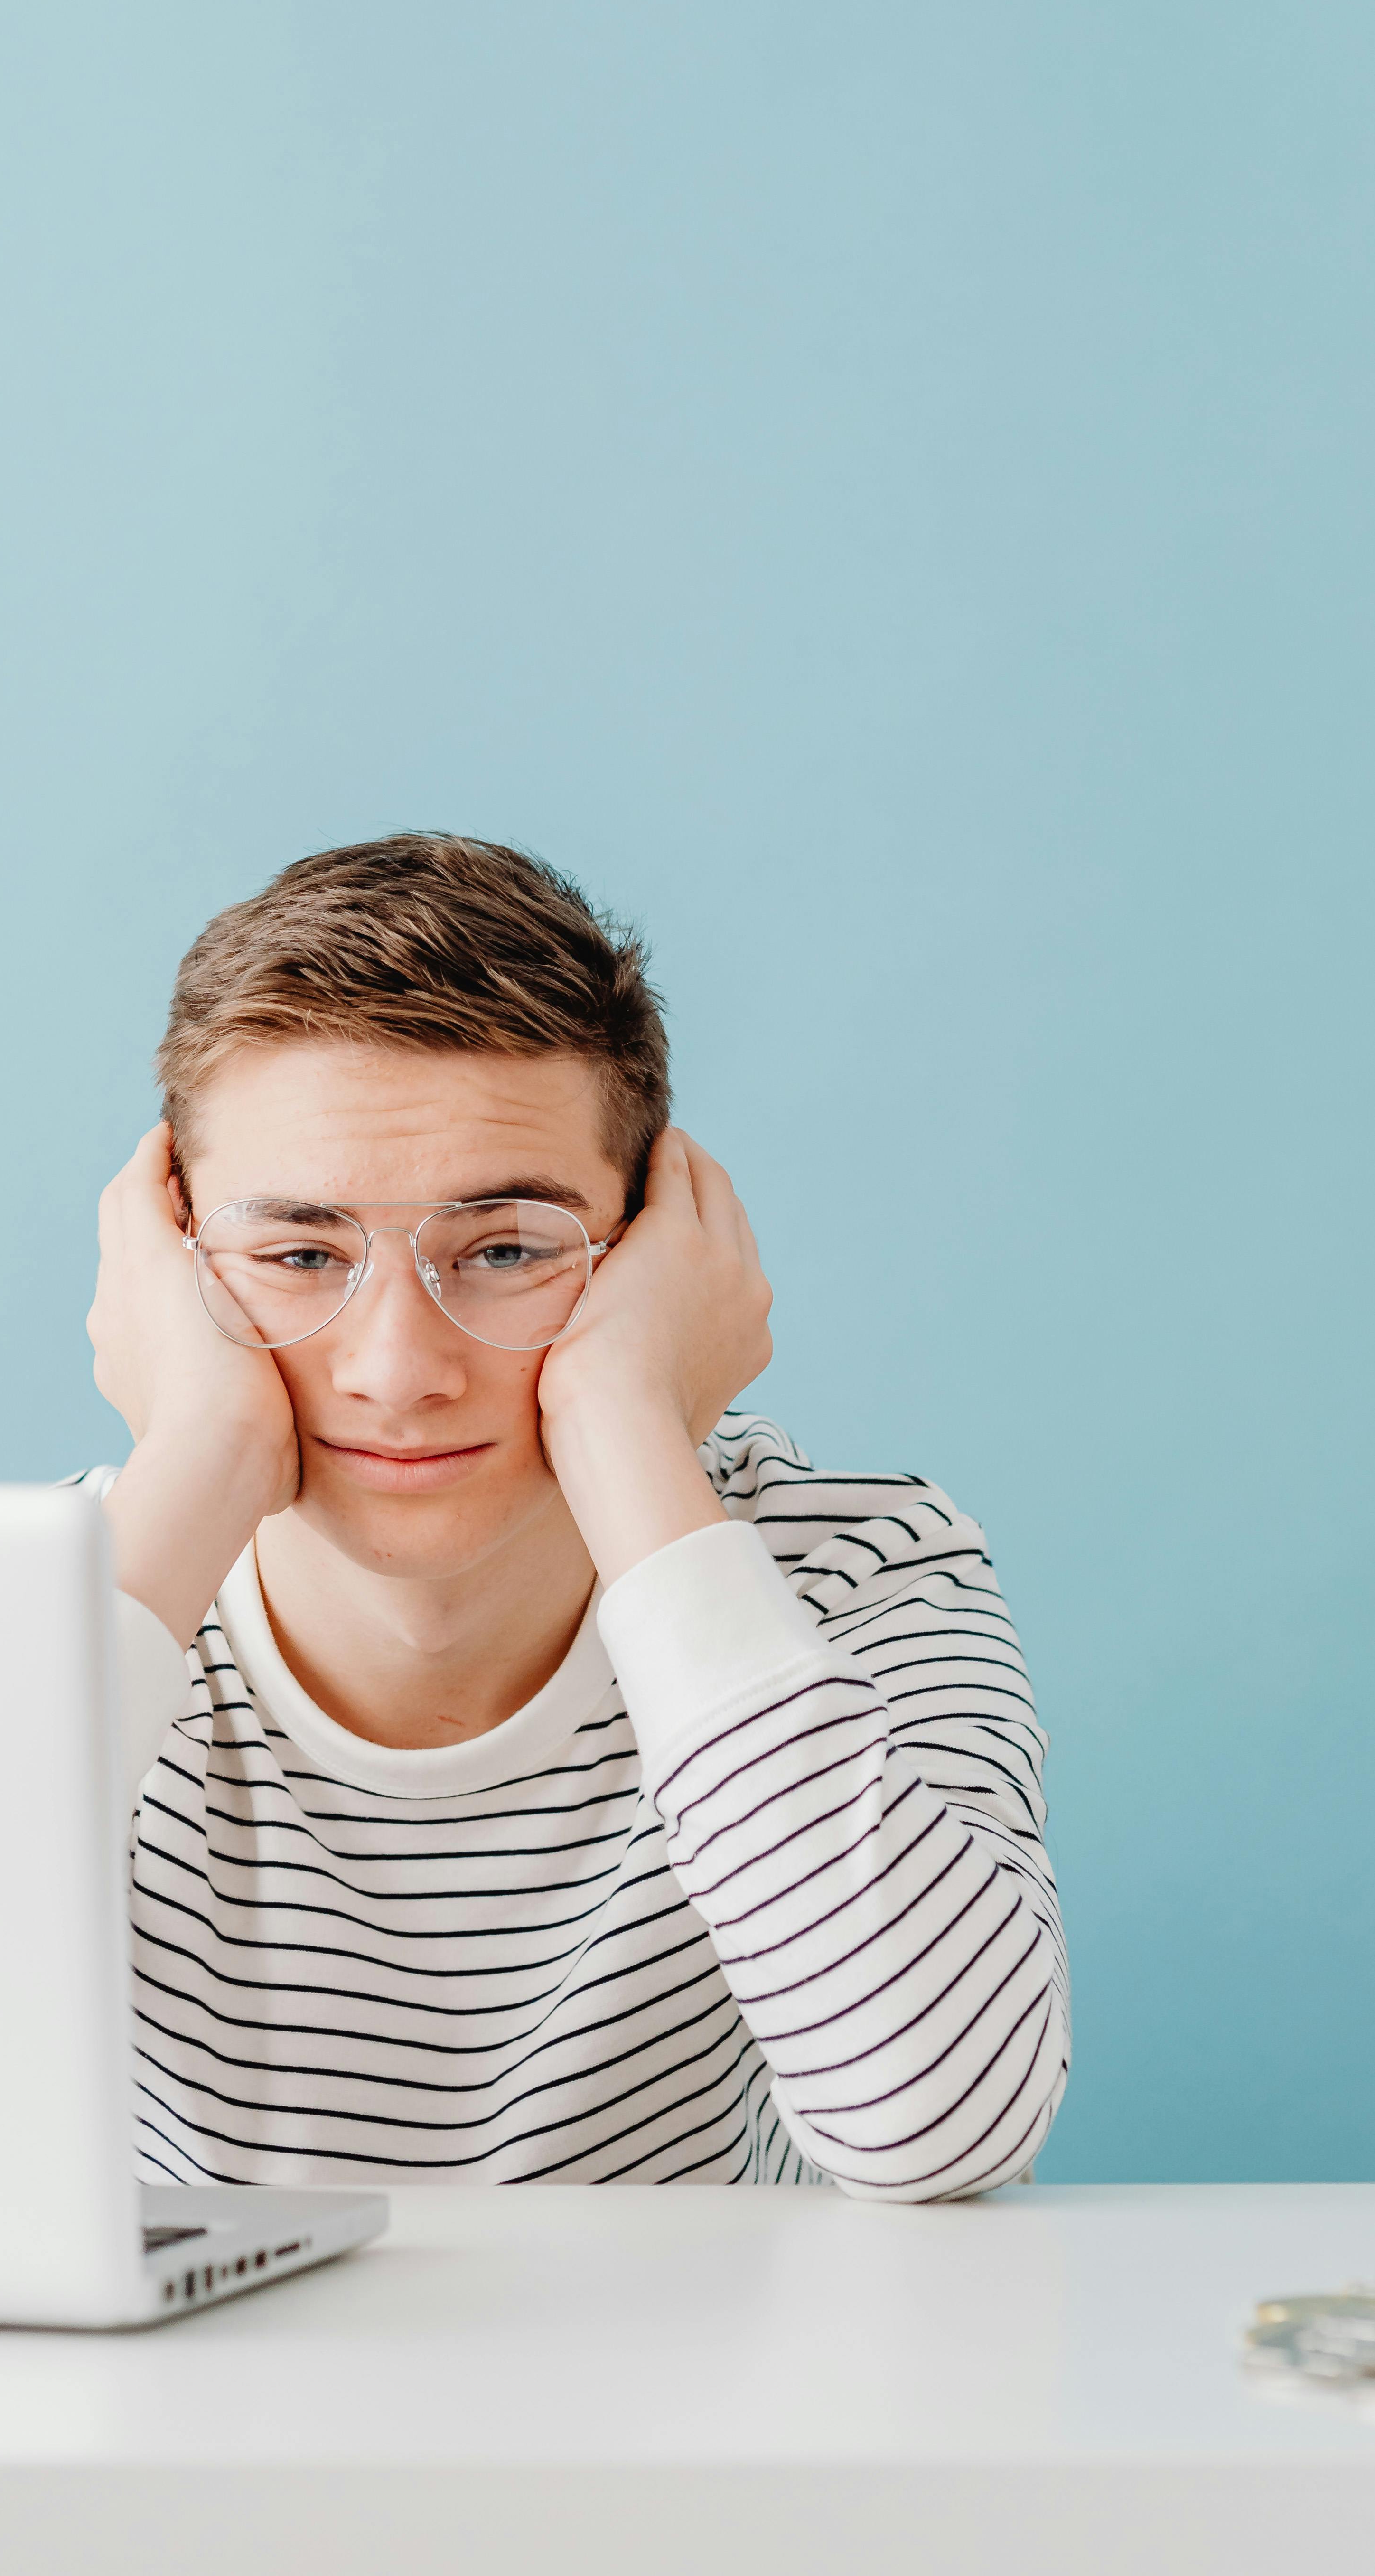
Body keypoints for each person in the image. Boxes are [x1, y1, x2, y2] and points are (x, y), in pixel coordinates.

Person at [85, 835, 1067, 2196]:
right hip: (181, 2409)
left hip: (714, 2404)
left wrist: (626, 1428)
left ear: (656, 1249)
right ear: (170, 1265)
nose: (396, 1370)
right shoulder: (82, 1602)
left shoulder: (848, 1568)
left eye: (503, 1250)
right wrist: (196, 1453)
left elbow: (938, 2125)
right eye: (299, 1253)